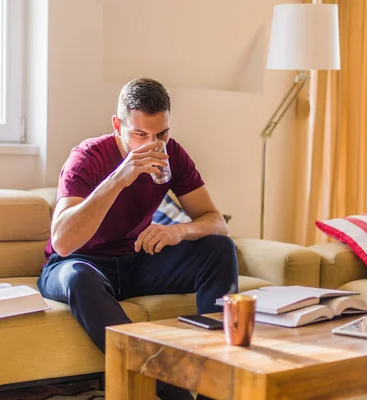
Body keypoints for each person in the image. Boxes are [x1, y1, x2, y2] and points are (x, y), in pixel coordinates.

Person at [38, 77, 239, 400]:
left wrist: (178, 231)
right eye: (140, 134)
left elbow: (216, 222)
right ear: (118, 125)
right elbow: (62, 242)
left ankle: (215, 376)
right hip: (77, 263)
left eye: (161, 134)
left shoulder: (172, 154)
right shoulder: (87, 158)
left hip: (133, 260)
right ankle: (173, 387)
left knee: (219, 248)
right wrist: (119, 178)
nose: (152, 145)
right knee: (79, 276)